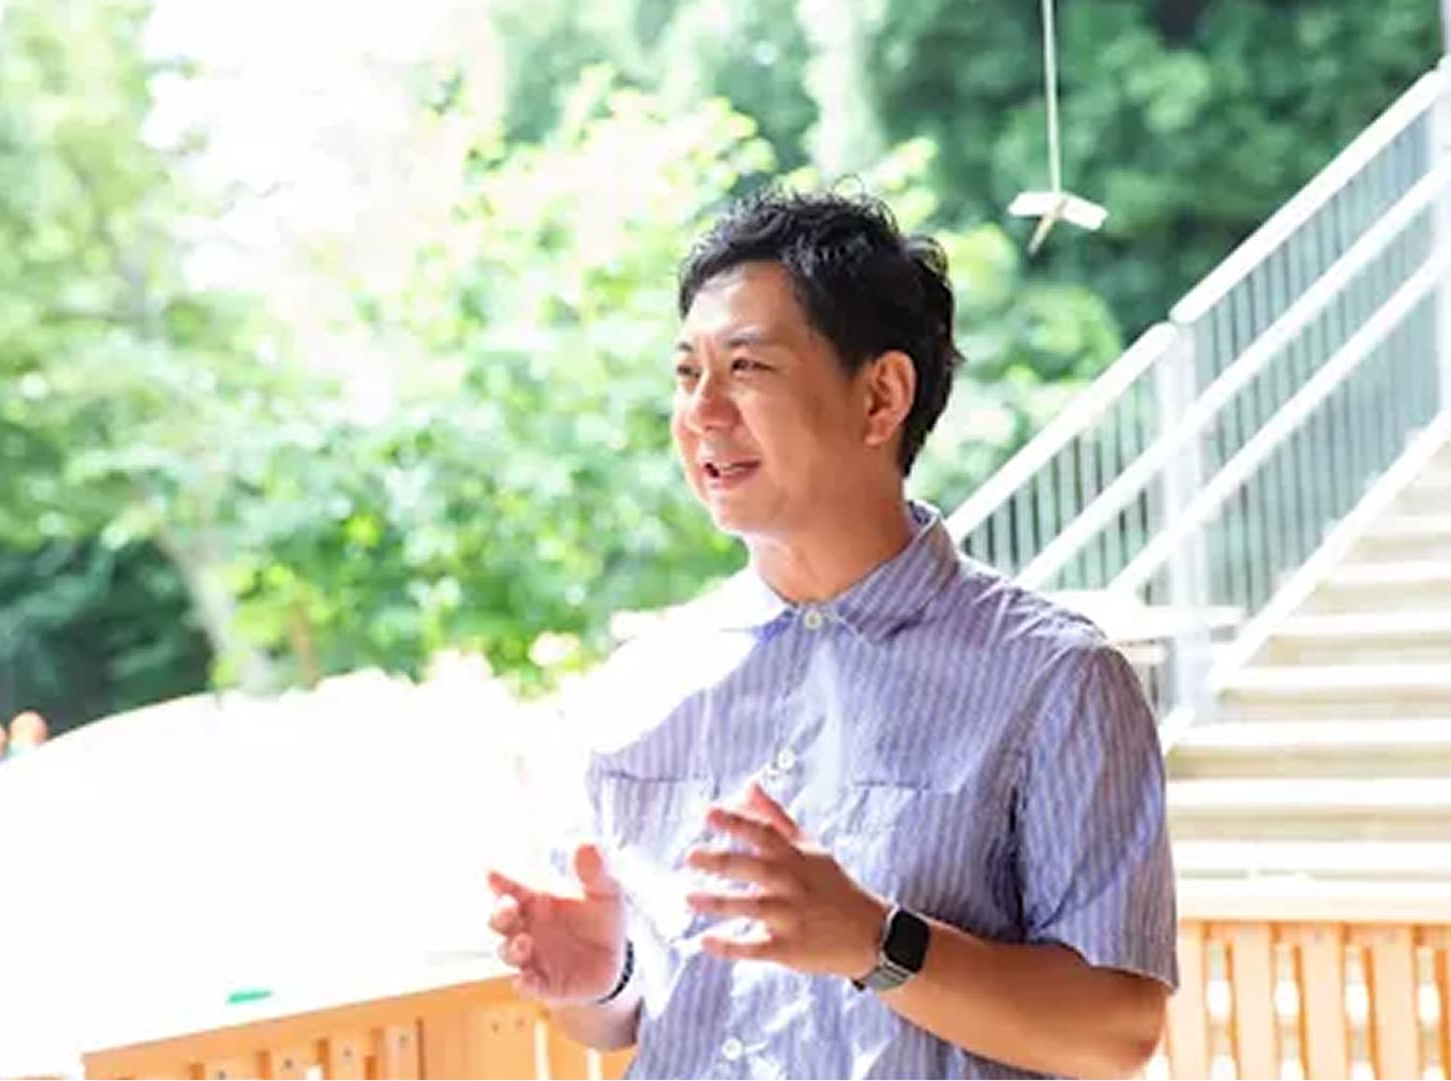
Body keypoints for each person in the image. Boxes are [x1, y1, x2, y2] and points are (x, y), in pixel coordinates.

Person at [484, 189, 1176, 1079]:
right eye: (688, 373)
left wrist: (873, 940)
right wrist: (600, 979)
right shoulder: (636, 687)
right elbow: (621, 1018)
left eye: (747, 367)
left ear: (881, 396)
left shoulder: (1058, 681)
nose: (702, 411)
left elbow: (1114, 1031)